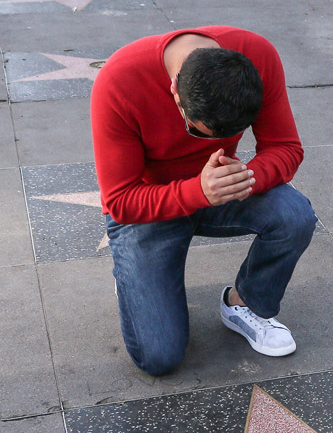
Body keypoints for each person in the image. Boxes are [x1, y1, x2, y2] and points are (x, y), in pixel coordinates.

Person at [91, 27, 316, 376]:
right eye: (197, 131)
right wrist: (198, 191)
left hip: (221, 187)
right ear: (175, 93)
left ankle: (244, 305)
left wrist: (247, 177)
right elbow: (120, 201)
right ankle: (131, 278)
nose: (216, 142)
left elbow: (285, 147)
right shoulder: (119, 81)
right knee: (160, 358)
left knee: (295, 215)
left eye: (231, 133)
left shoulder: (257, 56)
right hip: (149, 204)